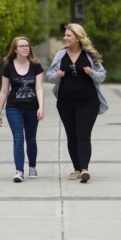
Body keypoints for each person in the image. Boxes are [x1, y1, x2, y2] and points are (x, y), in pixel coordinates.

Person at [46, 23, 108, 183]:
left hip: (88, 102)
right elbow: (49, 75)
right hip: (65, 104)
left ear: (78, 38)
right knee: (71, 136)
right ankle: (76, 169)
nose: (65, 38)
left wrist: (92, 72)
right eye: (65, 35)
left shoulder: (90, 55)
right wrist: (57, 75)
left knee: (83, 134)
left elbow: (102, 75)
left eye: (68, 36)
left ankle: (85, 169)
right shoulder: (60, 55)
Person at [0, 37, 45, 183]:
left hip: (32, 107)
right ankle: (19, 171)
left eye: (27, 45)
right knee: (18, 138)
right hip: (13, 107)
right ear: (15, 50)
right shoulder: (8, 67)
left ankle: (32, 167)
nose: (25, 48)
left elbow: (39, 88)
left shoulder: (36, 65)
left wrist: (41, 107)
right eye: (22, 46)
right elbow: (4, 91)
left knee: (31, 140)